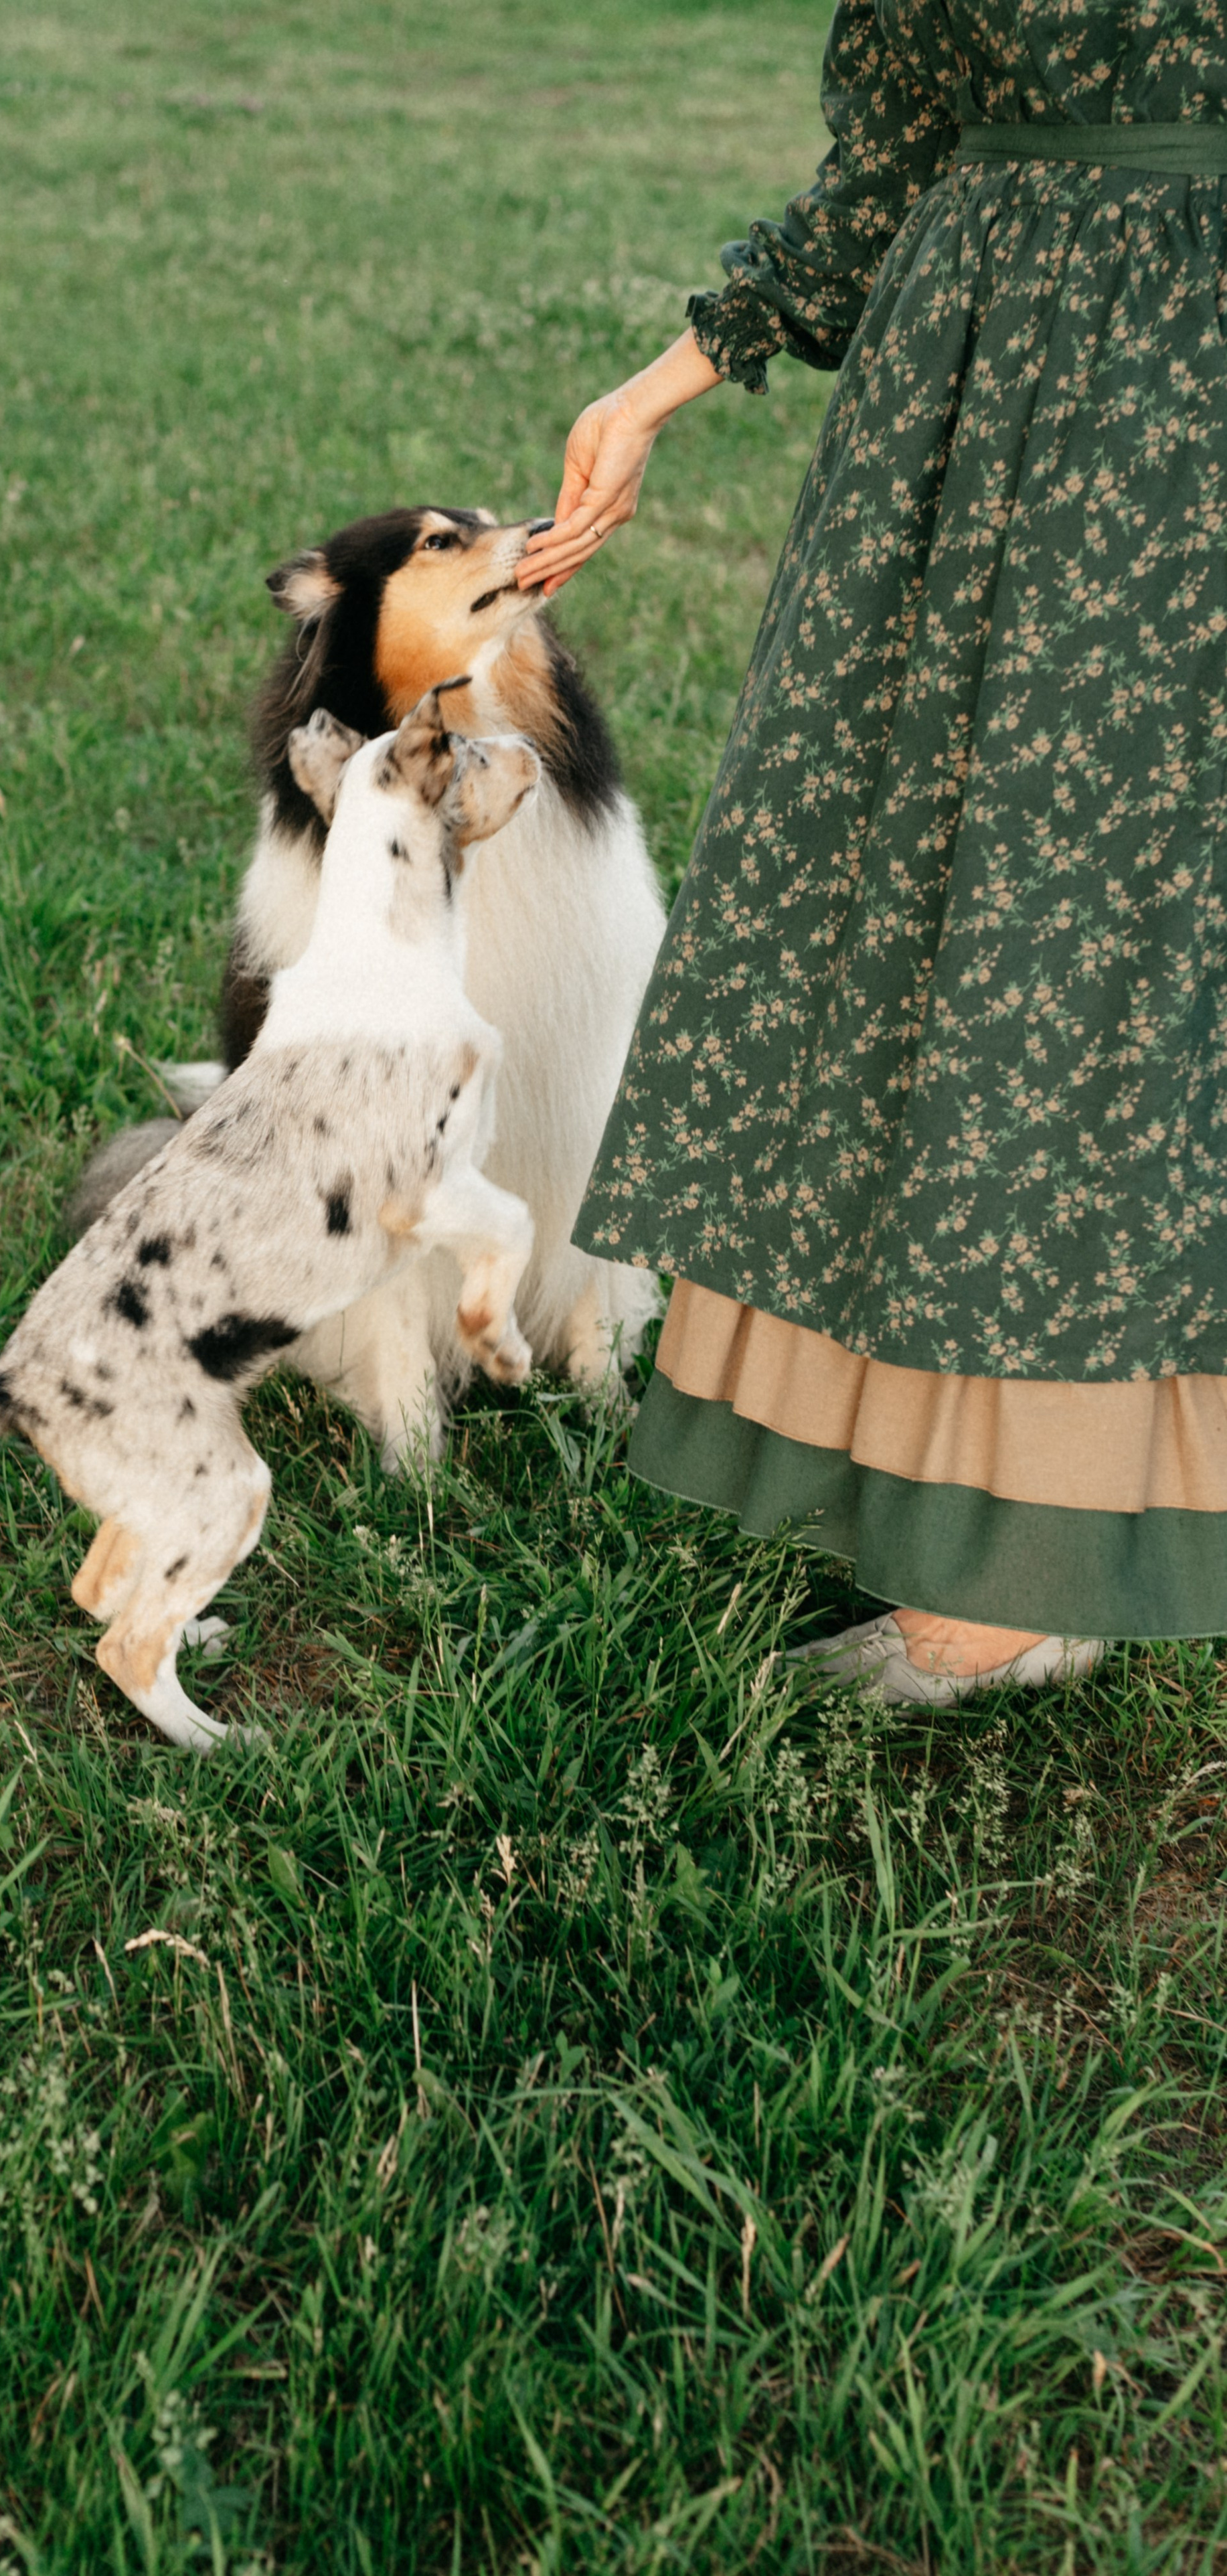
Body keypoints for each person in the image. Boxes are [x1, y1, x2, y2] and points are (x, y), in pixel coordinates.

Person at [518, 3, 1227, 1706]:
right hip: (973, 404)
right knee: (973, 919)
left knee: (1099, 924)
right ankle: (997, 1523)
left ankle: (1039, 1546)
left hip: (1176, 401)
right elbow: (903, 140)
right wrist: (657, 387)